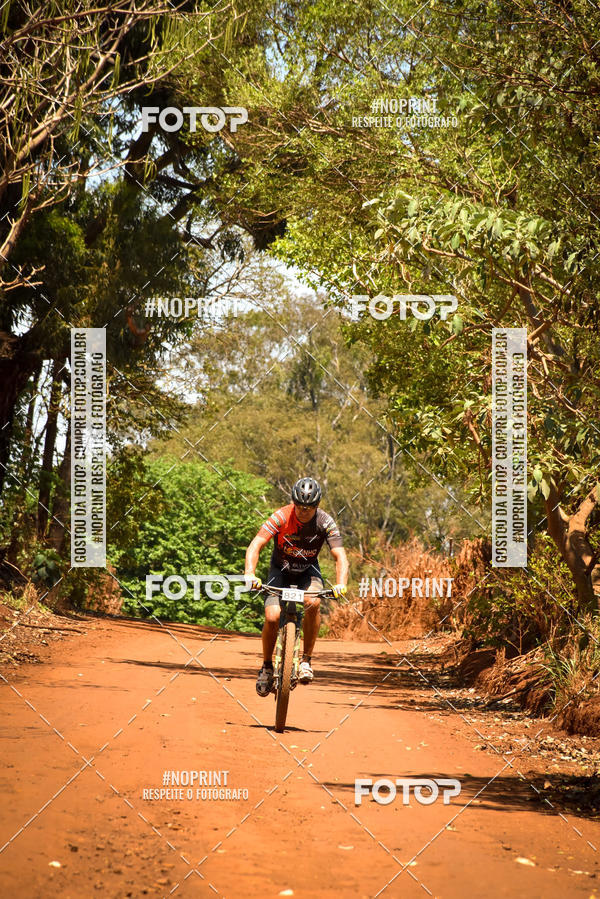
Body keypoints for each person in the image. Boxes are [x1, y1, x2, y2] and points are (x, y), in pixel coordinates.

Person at [245, 476, 348, 697]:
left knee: (313, 602)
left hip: (308, 571)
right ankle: (266, 667)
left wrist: (341, 583)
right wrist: (249, 573)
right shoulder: (281, 516)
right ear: (293, 502)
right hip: (279, 570)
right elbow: (257, 544)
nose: (303, 511)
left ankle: (306, 661)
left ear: (316, 506)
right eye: (299, 506)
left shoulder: (325, 522)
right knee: (272, 617)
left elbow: (340, 556)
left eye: (308, 508)